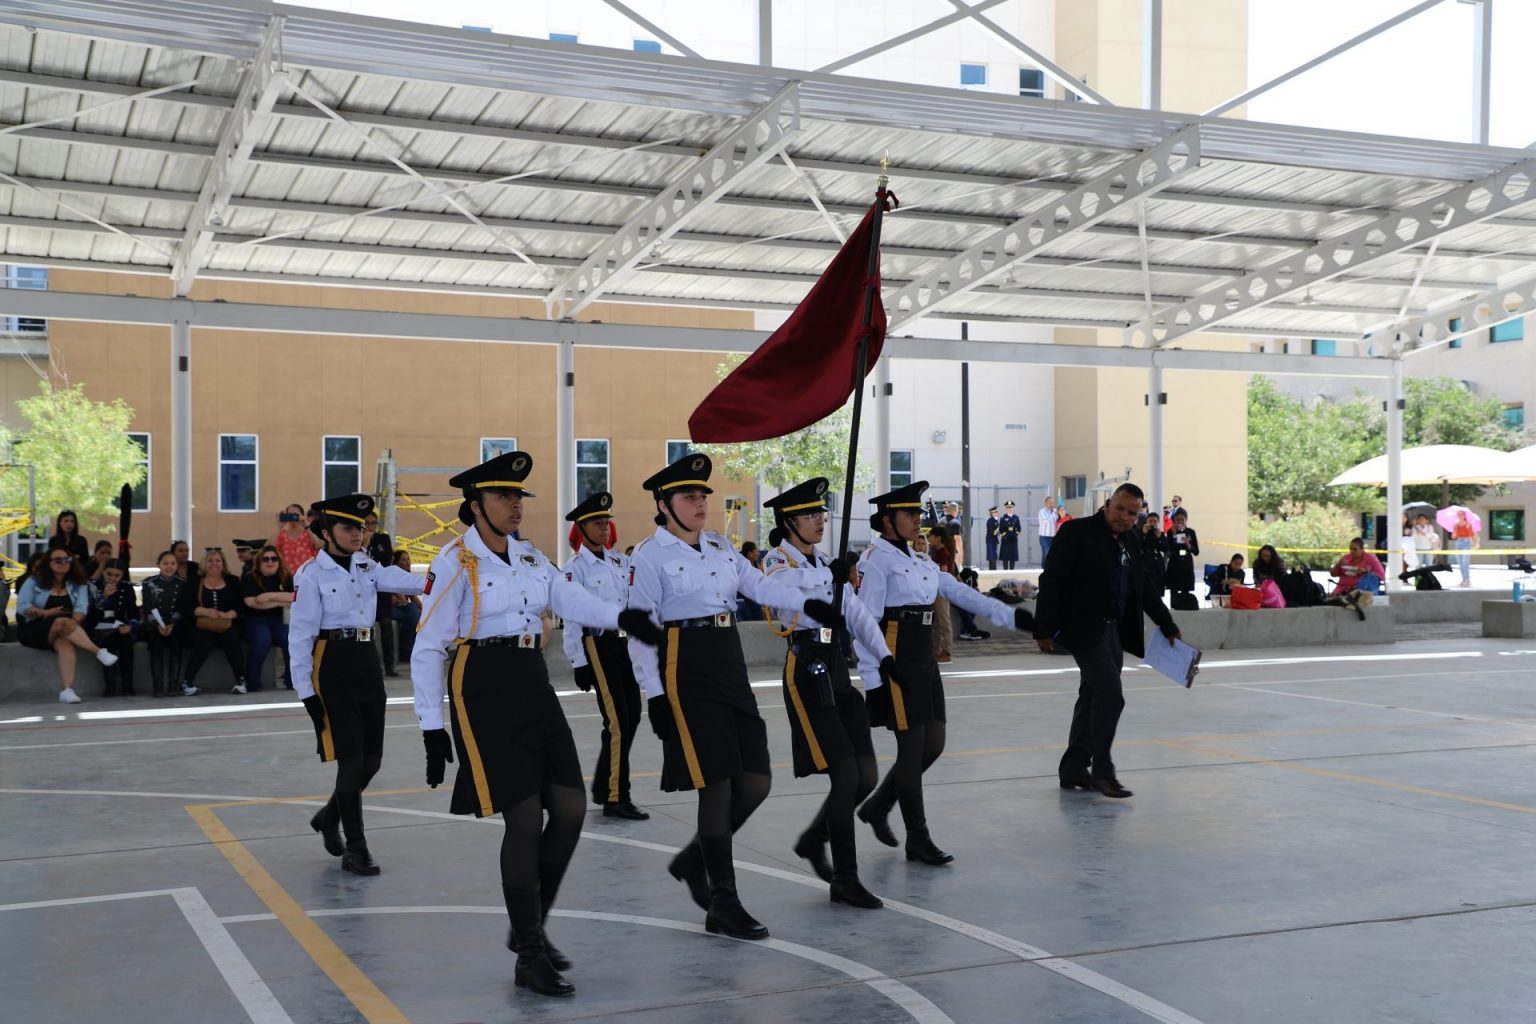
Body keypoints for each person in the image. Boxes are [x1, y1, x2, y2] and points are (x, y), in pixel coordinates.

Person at [412, 453, 659, 998]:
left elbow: (569, 597)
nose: (515, 505)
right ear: (476, 505)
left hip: (531, 679)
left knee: (569, 809)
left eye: (518, 496)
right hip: (482, 683)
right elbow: (428, 645)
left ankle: (530, 925)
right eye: (503, 496)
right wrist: (431, 725)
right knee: (524, 819)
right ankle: (529, 952)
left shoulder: (530, 556)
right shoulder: (455, 561)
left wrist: (620, 616)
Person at [627, 452, 845, 942]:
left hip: (729, 660)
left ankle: (693, 859)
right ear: (664, 504)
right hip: (686, 663)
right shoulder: (649, 556)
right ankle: (723, 902)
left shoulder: (720, 547)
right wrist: (654, 694)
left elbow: (763, 589)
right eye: (689, 496)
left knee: (757, 780)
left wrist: (815, 603)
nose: (701, 503)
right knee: (718, 784)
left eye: (703, 495)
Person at [854, 481, 1032, 863]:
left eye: (918, 513)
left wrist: (1011, 616)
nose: (917, 519)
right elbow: (865, 623)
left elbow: (956, 591)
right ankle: (917, 838)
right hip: (896, 652)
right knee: (911, 748)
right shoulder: (875, 560)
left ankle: (879, 805)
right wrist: (873, 680)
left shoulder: (919, 558)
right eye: (909, 513)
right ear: (887, 520)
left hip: (924, 653)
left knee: (933, 744)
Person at [760, 477, 902, 909]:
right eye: (810, 515)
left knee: (866, 775)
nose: (820, 521)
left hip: (837, 667)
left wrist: (884, 658)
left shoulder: (823, 562)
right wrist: (830, 579)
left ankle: (814, 837)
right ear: (789, 523)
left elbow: (855, 614)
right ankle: (845, 878)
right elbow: (786, 597)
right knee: (845, 776)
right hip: (807, 668)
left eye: (821, 513)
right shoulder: (777, 560)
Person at [292, 494, 425, 878]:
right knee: (351, 762)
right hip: (332, 664)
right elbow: (300, 637)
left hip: (367, 660)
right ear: (326, 532)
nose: (358, 533)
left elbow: (409, 580)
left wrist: (449, 573)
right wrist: (306, 693)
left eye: (362, 527)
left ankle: (329, 816)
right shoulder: (311, 574)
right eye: (349, 527)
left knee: (371, 761)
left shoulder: (368, 565)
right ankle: (356, 848)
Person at [1034, 483, 1181, 799]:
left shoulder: (1130, 539)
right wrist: (1043, 629)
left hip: (1113, 631)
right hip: (1083, 628)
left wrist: (1167, 624)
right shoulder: (1077, 532)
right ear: (1108, 504)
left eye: (1132, 513)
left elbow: (1143, 587)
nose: (1125, 517)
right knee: (1111, 695)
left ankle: (1074, 768)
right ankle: (1102, 771)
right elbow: (1051, 580)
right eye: (1120, 509)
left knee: (1093, 695)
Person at [561, 490, 649, 821]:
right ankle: (615, 797)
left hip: (625, 645)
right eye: (597, 523)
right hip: (598, 645)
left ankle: (604, 783)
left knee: (632, 715)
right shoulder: (575, 569)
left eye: (606, 522)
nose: (604, 528)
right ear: (582, 528)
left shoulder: (619, 562)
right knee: (617, 721)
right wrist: (579, 661)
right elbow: (572, 617)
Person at [16, 546, 118, 703]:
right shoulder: (34, 581)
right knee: (61, 621)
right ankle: (98, 651)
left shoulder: (78, 583)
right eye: (58, 560)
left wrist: (74, 622)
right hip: (33, 627)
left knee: (65, 644)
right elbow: (22, 607)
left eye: (67, 559)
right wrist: (46, 613)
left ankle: (67, 690)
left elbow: (81, 608)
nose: (63, 562)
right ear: (48, 563)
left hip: (65, 629)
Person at [181, 549, 245, 695]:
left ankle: (241, 680)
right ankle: (187, 682)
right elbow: (186, 605)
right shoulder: (194, 581)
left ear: (223, 563)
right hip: (202, 624)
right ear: (204, 564)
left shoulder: (233, 581)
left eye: (218, 560)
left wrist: (229, 614)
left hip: (227, 623)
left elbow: (241, 604)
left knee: (232, 639)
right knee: (204, 641)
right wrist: (205, 611)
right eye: (210, 561)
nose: (214, 564)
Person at [140, 550, 192, 697]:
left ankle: (173, 685)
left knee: (176, 645)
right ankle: (157, 686)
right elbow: (148, 607)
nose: (169, 567)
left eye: (173, 563)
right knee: (155, 645)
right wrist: (158, 625)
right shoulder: (149, 583)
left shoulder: (183, 584)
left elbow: (183, 607)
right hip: (156, 624)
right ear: (158, 565)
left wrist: (173, 624)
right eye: (165, 563)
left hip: (176, 624)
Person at [242, 544, 294, 691]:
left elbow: (293, 596)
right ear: (259, 562)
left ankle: (292, 681)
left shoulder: (286, 576)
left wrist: (269, 596)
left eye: (274, 558)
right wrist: (280, 602)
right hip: (255, 619)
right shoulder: (250, 578)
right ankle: (252, 682)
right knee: (262, 640)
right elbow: (252, 602)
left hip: (279, 620)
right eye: (265, 559)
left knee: (291, 640)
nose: (270, 562)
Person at [87, 559, 138, 696]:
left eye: (117, 575)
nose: (112, 578)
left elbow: (134, 612)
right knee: (108, 643)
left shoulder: (126, 588)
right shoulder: (93, 587)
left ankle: (127, 686)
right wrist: (103, 597)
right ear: (103, 572)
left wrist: (131, 626)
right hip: (100, 627)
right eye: (109, 574)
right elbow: (90, 617)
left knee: (126, 642)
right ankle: (110, 686)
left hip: (120, 626)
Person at [930, 526, 987, 641]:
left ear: (938, 538)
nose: (928, 539)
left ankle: (968, 629)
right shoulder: (940, 554)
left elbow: (944, 573)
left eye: (930, 536)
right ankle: (970, 629)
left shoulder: (942, 554)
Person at [362, 510, 399, 677]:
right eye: (367, 523)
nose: (370, 527)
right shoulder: (358, 541)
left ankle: (389, 665)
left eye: (373, 523)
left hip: (381, 590)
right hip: (364, 591)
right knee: (365, 629)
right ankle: (370, 663)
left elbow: (386, 560)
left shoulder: (382, 539)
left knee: (386, 628)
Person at [912, 530, 952, 663]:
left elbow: (944, 573)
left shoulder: (932, 559)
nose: (921, 546)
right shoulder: (911, 560)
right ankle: (935, 651)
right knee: (933, 625)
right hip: (925, 596)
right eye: (918, 543)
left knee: (944, 622)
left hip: (939, 592)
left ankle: (946, 651)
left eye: (923, 543)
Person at [1329, 537, 1384, 612]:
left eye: (1355, 549)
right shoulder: (1346, 558)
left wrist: (1365, 572)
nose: (1352, 551)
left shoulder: (1370, 558)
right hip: (1342, 589)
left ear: (1362, 549)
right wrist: (1338, 565)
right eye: (1350, 549)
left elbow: (1381, 576)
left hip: (1360, 591)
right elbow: (1333, 574)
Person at [390, 549, 422, 661]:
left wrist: (427, 611)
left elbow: (413, 597)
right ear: (396, 563)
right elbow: (401, 600)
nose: (408, 562)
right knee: (412, 610)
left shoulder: (407, 577)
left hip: (403, 609)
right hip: (390, 609)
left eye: (408, 559)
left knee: (413, 615)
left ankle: (408, 653)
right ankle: (421, 639)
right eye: (404, 560)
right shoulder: (392, 576)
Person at [1163, 509, 1200, 606]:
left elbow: (1196, 552)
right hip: (1175, 563)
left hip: (1186, 563)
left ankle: (1185, 607)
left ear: (1186, 520)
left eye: (1182, 520)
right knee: (1173, 590)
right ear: (1174, 520)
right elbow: (1169, 549)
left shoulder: (1190, 532)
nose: (1180, 522)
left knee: (1185, 590)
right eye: (1177, 520)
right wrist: (1173, 535)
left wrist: (1188, 544)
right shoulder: (1170, 532)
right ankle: (1173, 608)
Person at [275, 503, 319, 576]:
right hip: (288, 577)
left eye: (295, 514)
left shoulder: (308, 532)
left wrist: (306, 525)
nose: (293, 516)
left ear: (302, 515)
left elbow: (319, 545)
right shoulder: (282, 534)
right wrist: (279, 527)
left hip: (308, 576)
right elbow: (269, 548)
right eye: (290, 514)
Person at [1137, 516, 1168, 595]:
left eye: (1155, 521)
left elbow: (1165, 549)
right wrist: (1143, 534)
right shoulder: (1140, 532)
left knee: (1158, 585)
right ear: (1146, 522)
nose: (1152, 523)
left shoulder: (1160, 533)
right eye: (1150, 521)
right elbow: (1137, 546)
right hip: (1145, 560)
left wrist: (1159, 538)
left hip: (1157, 562)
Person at [1450, 509, 1478, 587]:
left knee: (1465, 562)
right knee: (1460, 562)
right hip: (1458, 542)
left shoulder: (1468, 524)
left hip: (1466, 542)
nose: (1460, 516)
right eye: (1459, 514)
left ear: (1464, 516)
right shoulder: (1455, 525)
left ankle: (1467, 580)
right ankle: (1463, 579)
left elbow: (1472, 535)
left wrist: (1475, 544)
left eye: (1462, 514)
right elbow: (1453, 537)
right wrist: (1454, 533)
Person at [998, 499, 1022, 570]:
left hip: (1013, 540)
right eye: (1008, 507)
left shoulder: (1016, 518)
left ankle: (1012, 572)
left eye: (1011, 507)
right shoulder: (1003, 518)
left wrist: (1016, 534)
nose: (1010, 509)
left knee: (1012, 558)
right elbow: (1001, 529)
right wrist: (1005, 535)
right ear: (1006, 509)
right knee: (1005, 558)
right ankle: (1005, 572)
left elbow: (1019, 528)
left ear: (1013, 508)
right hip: (1005, 540)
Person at [1037, 496, 1058, 567]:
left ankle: (1044, 567)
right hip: (1044, 537)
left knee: (1051, 554)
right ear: (1045, 503)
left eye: (1052, 503)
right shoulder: (1042, 512)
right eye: (1050, 503)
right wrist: (1054, 513)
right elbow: (1046, 521)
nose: (1051, 504)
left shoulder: (1056, 511)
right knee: (1047, 552)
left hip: (1054, 537)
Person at [984, 506, 1000, 570]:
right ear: (992, 513)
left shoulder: (995, 520)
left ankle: (994, 568)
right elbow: (991, 531)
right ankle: (992, 569)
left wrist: (998, 531)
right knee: (991, 555)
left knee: (994, 555)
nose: (997, 513)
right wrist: (997, 531)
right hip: (990, 540)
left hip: (994, 540)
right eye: (996, 512)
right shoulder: (990, 521)